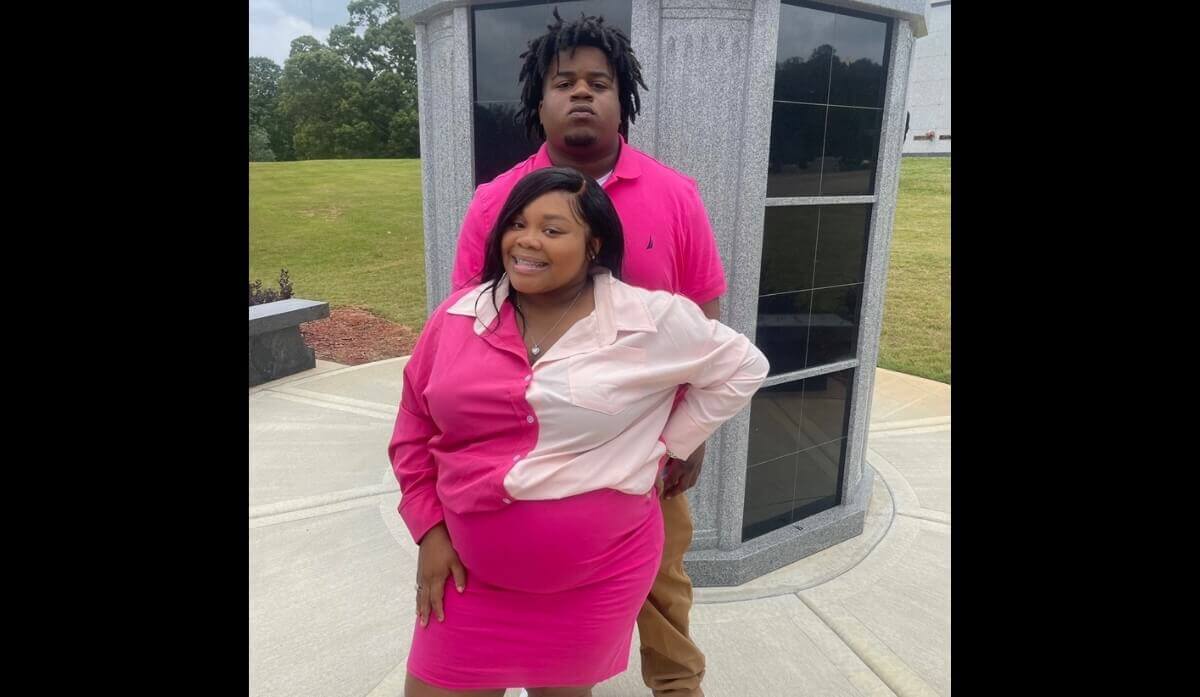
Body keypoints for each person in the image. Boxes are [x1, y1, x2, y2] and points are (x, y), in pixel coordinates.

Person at [390, 167, 767, 696]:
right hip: (466, 578)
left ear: (594, 245)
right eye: (516, 224)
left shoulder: (648, 320)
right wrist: (429, 529)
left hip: (597, 579)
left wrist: (670, 444)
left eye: (552, 229)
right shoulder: (456, 318)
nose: (527, 240)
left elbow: (744, 366)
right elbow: (414, 426)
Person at [450, 13, 724, 694]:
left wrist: (691, 435)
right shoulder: (496, 203)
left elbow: (704, 321)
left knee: (663, 587)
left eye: (598, 83)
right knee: (526, 591)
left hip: (647, 450)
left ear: (622, 99)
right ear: (538, 101)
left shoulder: (675, 195)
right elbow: (464, 331)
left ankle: (678, 686)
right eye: (563, 82)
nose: (580, 93)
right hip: (527, 450)